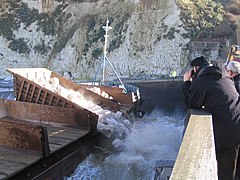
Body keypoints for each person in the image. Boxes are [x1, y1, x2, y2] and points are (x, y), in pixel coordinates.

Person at [182, 56, 240, 180]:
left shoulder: (203, 81)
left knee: (225, 172)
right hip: (237, 124)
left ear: (196, 69)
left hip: (227, 133)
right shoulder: (225, 77)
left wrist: (187, 82)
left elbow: (191, 103)